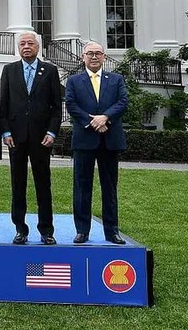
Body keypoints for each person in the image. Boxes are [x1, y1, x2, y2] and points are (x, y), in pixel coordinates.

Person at [0, 31, 62, 245]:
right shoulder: (9, 70)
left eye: (30, 43)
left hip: (42, 137)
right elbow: (3, 105)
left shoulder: (50, 71)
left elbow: (56, 107)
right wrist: (5, 132)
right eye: (23, 43)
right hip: (15, 138)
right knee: (18, 184)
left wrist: (52, 132)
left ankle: (46, 230)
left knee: (43, 184)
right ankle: (20, 229)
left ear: (38, 47)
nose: (26, 46)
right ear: (18, 47)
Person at [65, 41, 129, 245]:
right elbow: (71, 104)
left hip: (109, 140)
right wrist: (92, 121)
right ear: (83, 57)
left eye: (98, 53)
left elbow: (122, 102)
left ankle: (112, 231)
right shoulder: (74, 80)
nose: (94, 57)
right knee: (82, 188)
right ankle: (82, 231)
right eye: (90, 53)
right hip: (85, 140)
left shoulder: (116, 79)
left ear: (103, 57)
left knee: (109, 188)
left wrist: (105, 118)